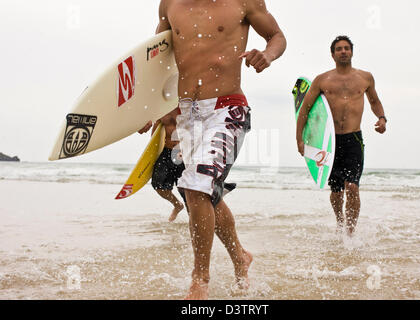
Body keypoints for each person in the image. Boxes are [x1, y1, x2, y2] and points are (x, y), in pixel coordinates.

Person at [140, 0, 286, 299]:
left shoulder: (243, 2)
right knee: (205, 194)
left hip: (226, 109)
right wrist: (148, 108)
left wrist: (267, 56)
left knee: (196, 188)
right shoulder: (169, 4)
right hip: (184, 113)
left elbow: (277, 36)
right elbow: (159, 59)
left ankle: (200, 280)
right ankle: (240, 257)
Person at [296, 35, 387, 237]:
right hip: (330, 142)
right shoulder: (322, 80)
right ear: (332, 54)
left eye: (346, 48)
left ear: (352, 52)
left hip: (353, 139)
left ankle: (351, 231)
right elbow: (305, 109)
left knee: (352, 186)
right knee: (336, 190)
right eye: (339, 49)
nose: (343, 51)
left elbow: (374, 101)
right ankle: (340, 221)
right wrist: (299, 139)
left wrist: (382, 118)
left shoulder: (365, 77)